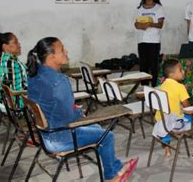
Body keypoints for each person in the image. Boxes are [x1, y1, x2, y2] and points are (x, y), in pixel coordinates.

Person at [27, 37, 138, 181]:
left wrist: (72, 109)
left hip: (46, 135)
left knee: (97, 127)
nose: (66, 51)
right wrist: (80, 112)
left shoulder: (34, 75)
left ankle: (113, 166)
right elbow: (70, 119)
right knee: (107, 136)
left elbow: (51, 104)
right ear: (51, 56)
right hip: (61, 137)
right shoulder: (59, 81)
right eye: (62, 49)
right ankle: (113, 175)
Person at [153, 58, 193, 158]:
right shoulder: (180, 87)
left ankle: (167, 150)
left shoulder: (161, 86)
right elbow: (188, 107)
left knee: (165, 130)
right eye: (180, 70)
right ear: (172, 74)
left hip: (161, 120)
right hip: (175, 121)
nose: (183, 71)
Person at [134, 0, 165, 87]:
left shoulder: (159, 8)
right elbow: (136, 24)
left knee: (154, 66)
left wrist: (150, 24)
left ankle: (155, 87)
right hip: (142, 41)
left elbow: (160, 25)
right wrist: (141, 25)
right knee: (143, 66)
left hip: (154, 41)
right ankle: (144, 88)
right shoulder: (139, 8)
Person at [0, 32, 27, 110]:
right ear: (5, 47)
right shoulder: (11, 63)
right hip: (14, 102)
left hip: (3, 99)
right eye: (15, 42)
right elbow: (17, 89)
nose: (19, 44)